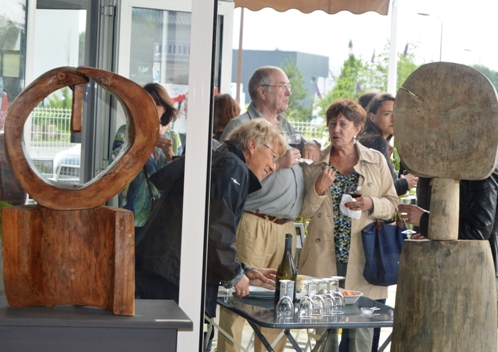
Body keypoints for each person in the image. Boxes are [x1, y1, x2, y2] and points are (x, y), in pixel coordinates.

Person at [134, 119, 282, 349]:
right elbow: (217, 227)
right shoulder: (233, 166)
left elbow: (205, 230)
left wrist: (243, 270)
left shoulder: (221, 159)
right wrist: (235, 274)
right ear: (252, 145)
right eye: (273, 156)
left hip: (163, 269)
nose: (273, 166)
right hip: (173, 276)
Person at [217, 66, 320, 352]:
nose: (289, 91)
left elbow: (307, 147)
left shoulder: (286, 125)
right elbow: (230, 176)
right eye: (282, 86)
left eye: (288, 86)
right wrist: (280, 164)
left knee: (280, 304)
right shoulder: (241, 125)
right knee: (239, 302)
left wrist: (312, 144)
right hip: (253, 224)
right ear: (262, 91)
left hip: (285, 228)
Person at [299, 99, 399, 352]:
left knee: (361, 338)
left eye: (343, 124)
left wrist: (371, 203)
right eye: (332, 123)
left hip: (364, 260)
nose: (336, 129)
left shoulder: (375, 160)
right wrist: (318, 189)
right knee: (323, 337)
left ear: (357, 128)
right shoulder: (316, 164)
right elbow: (303, 212)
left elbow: (393, 206)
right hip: (323, 259)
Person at [399, 141, 498, 327]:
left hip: (481, 269)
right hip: (492, 265)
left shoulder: (483, 160)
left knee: (468, 331)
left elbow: (478, 230)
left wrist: (426, 221)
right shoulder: (497, 150)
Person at [111, 83, 182, 228]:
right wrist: (143, 143)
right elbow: (114, 169)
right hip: (132, 213)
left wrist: (169, 154)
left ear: (165, 108)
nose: (150, 108)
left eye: (156, 104)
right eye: (146, 103)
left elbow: (179, 179)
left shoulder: (173, 137)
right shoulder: (126, 132)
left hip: (163, 215)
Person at [359, 92, 418, 196]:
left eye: (396, 113)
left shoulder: (371, 139)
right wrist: (405, 182)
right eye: (387, 114)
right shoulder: (376, 141)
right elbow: (377, 188)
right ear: (372, 117)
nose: (393, 118)